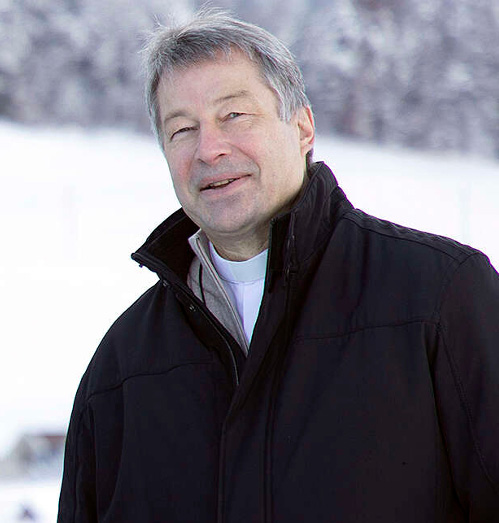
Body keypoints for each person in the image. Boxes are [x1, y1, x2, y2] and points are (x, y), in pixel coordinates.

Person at [58, 8, 499, 523]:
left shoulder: (440, 299)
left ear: (303, 126)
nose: (209, 149)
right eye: (182, 129)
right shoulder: (121, 369)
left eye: (234, 115)